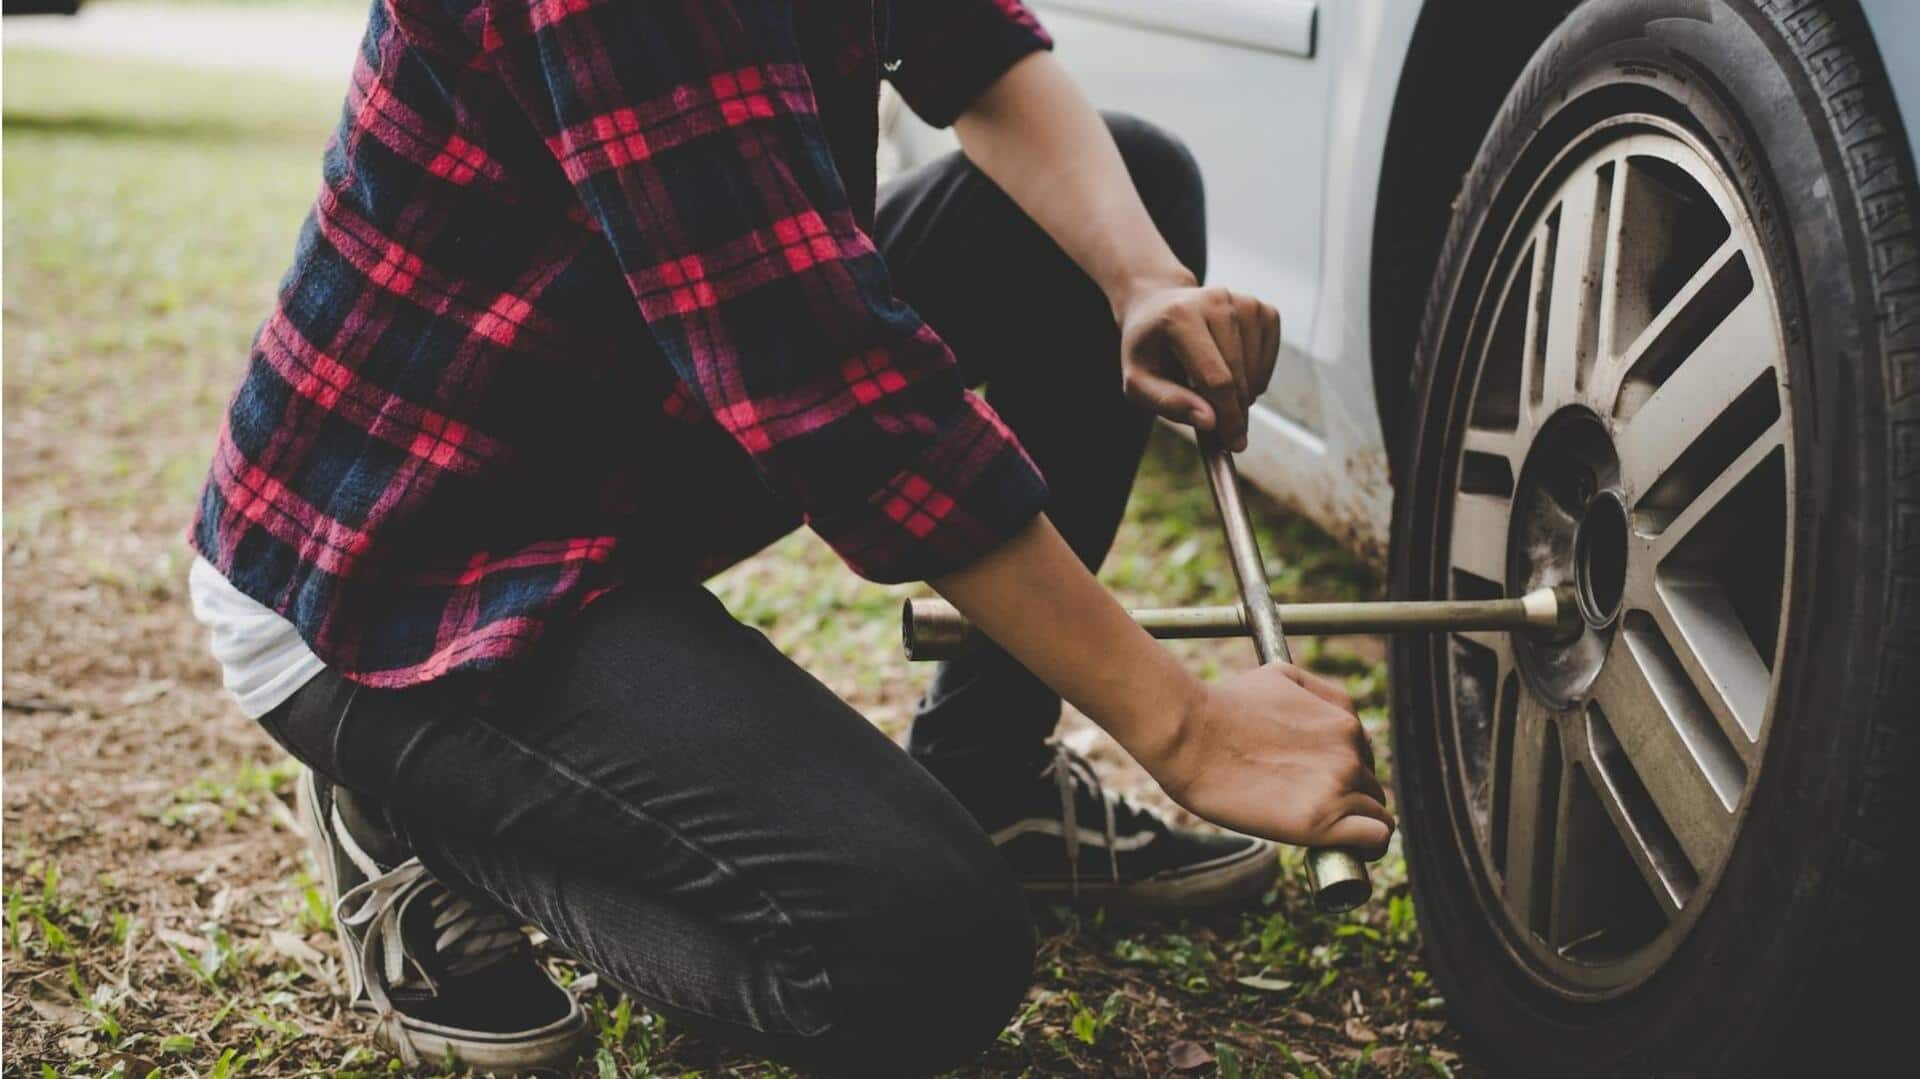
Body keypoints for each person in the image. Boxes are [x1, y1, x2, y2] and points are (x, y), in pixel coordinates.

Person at [187, 0, 1395, 1073]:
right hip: (399, 563)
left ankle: (993, 785)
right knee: (920, 956)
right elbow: (835, 395)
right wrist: (1185, 726)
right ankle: (412, 809)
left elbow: (969, 42)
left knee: (1122, 187)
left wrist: (1139, 278)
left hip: (620, 426)